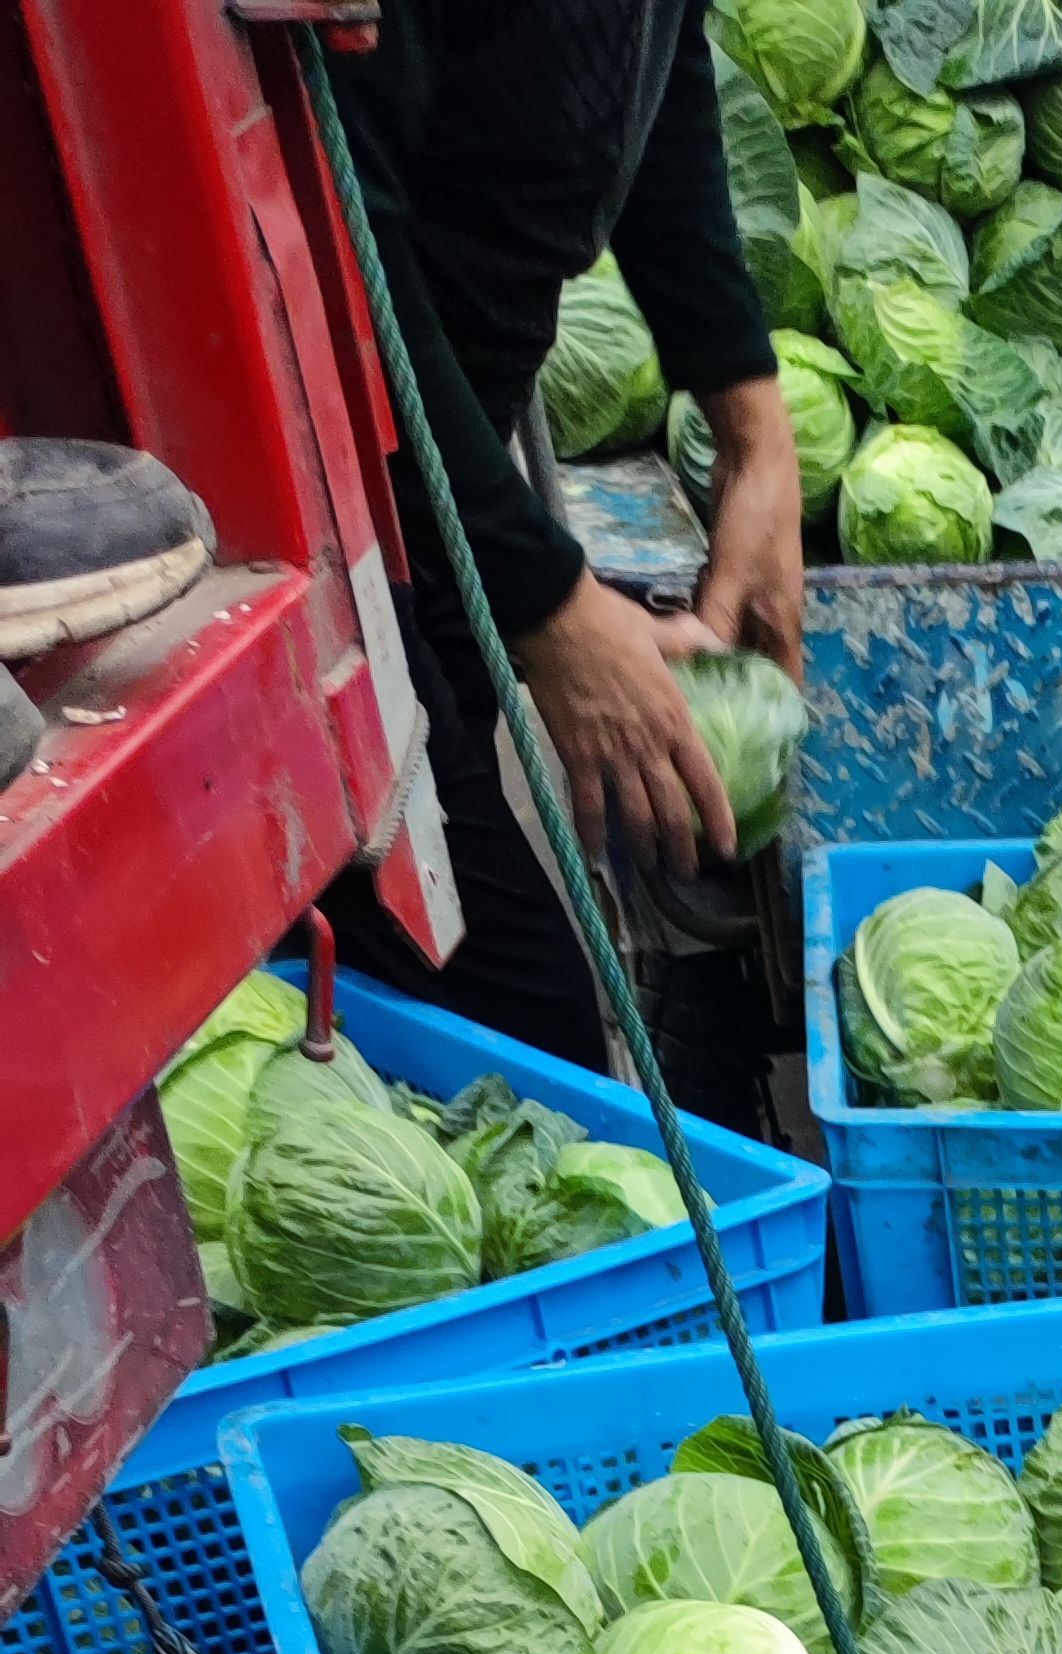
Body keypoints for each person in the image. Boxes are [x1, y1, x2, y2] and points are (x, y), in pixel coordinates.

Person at [329, 0, 804, 1072]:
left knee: (506, 1003)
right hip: (313, 498)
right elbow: (335, 237)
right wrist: (550, 603)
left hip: (450, 467)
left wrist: (749, 412)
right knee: (517, 1029)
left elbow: (649, 40)